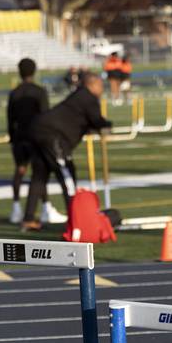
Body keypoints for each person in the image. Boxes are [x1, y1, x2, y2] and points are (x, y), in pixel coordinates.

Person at [20, 73, 112, 232]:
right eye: (100, 85)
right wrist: (107, 126)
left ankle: (28, 219)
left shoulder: (79, 95)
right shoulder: (88, 97)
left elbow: (84, 120)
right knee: (67, 174)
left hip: (39, 130)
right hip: (53, 135)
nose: (102, 89)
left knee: (39, 176)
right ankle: (76, 220)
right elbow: (96, 120)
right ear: (93, 84)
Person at [6, 58, 65, 225]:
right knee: (39, 173)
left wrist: (12, 137)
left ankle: (16, 208)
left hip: (19, 137)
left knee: (20, 170)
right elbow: (45, 115)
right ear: (34, 71)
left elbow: (10, 119)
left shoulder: (14, 92)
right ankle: (46, 207)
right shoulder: (39, 91)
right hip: (35, 137)